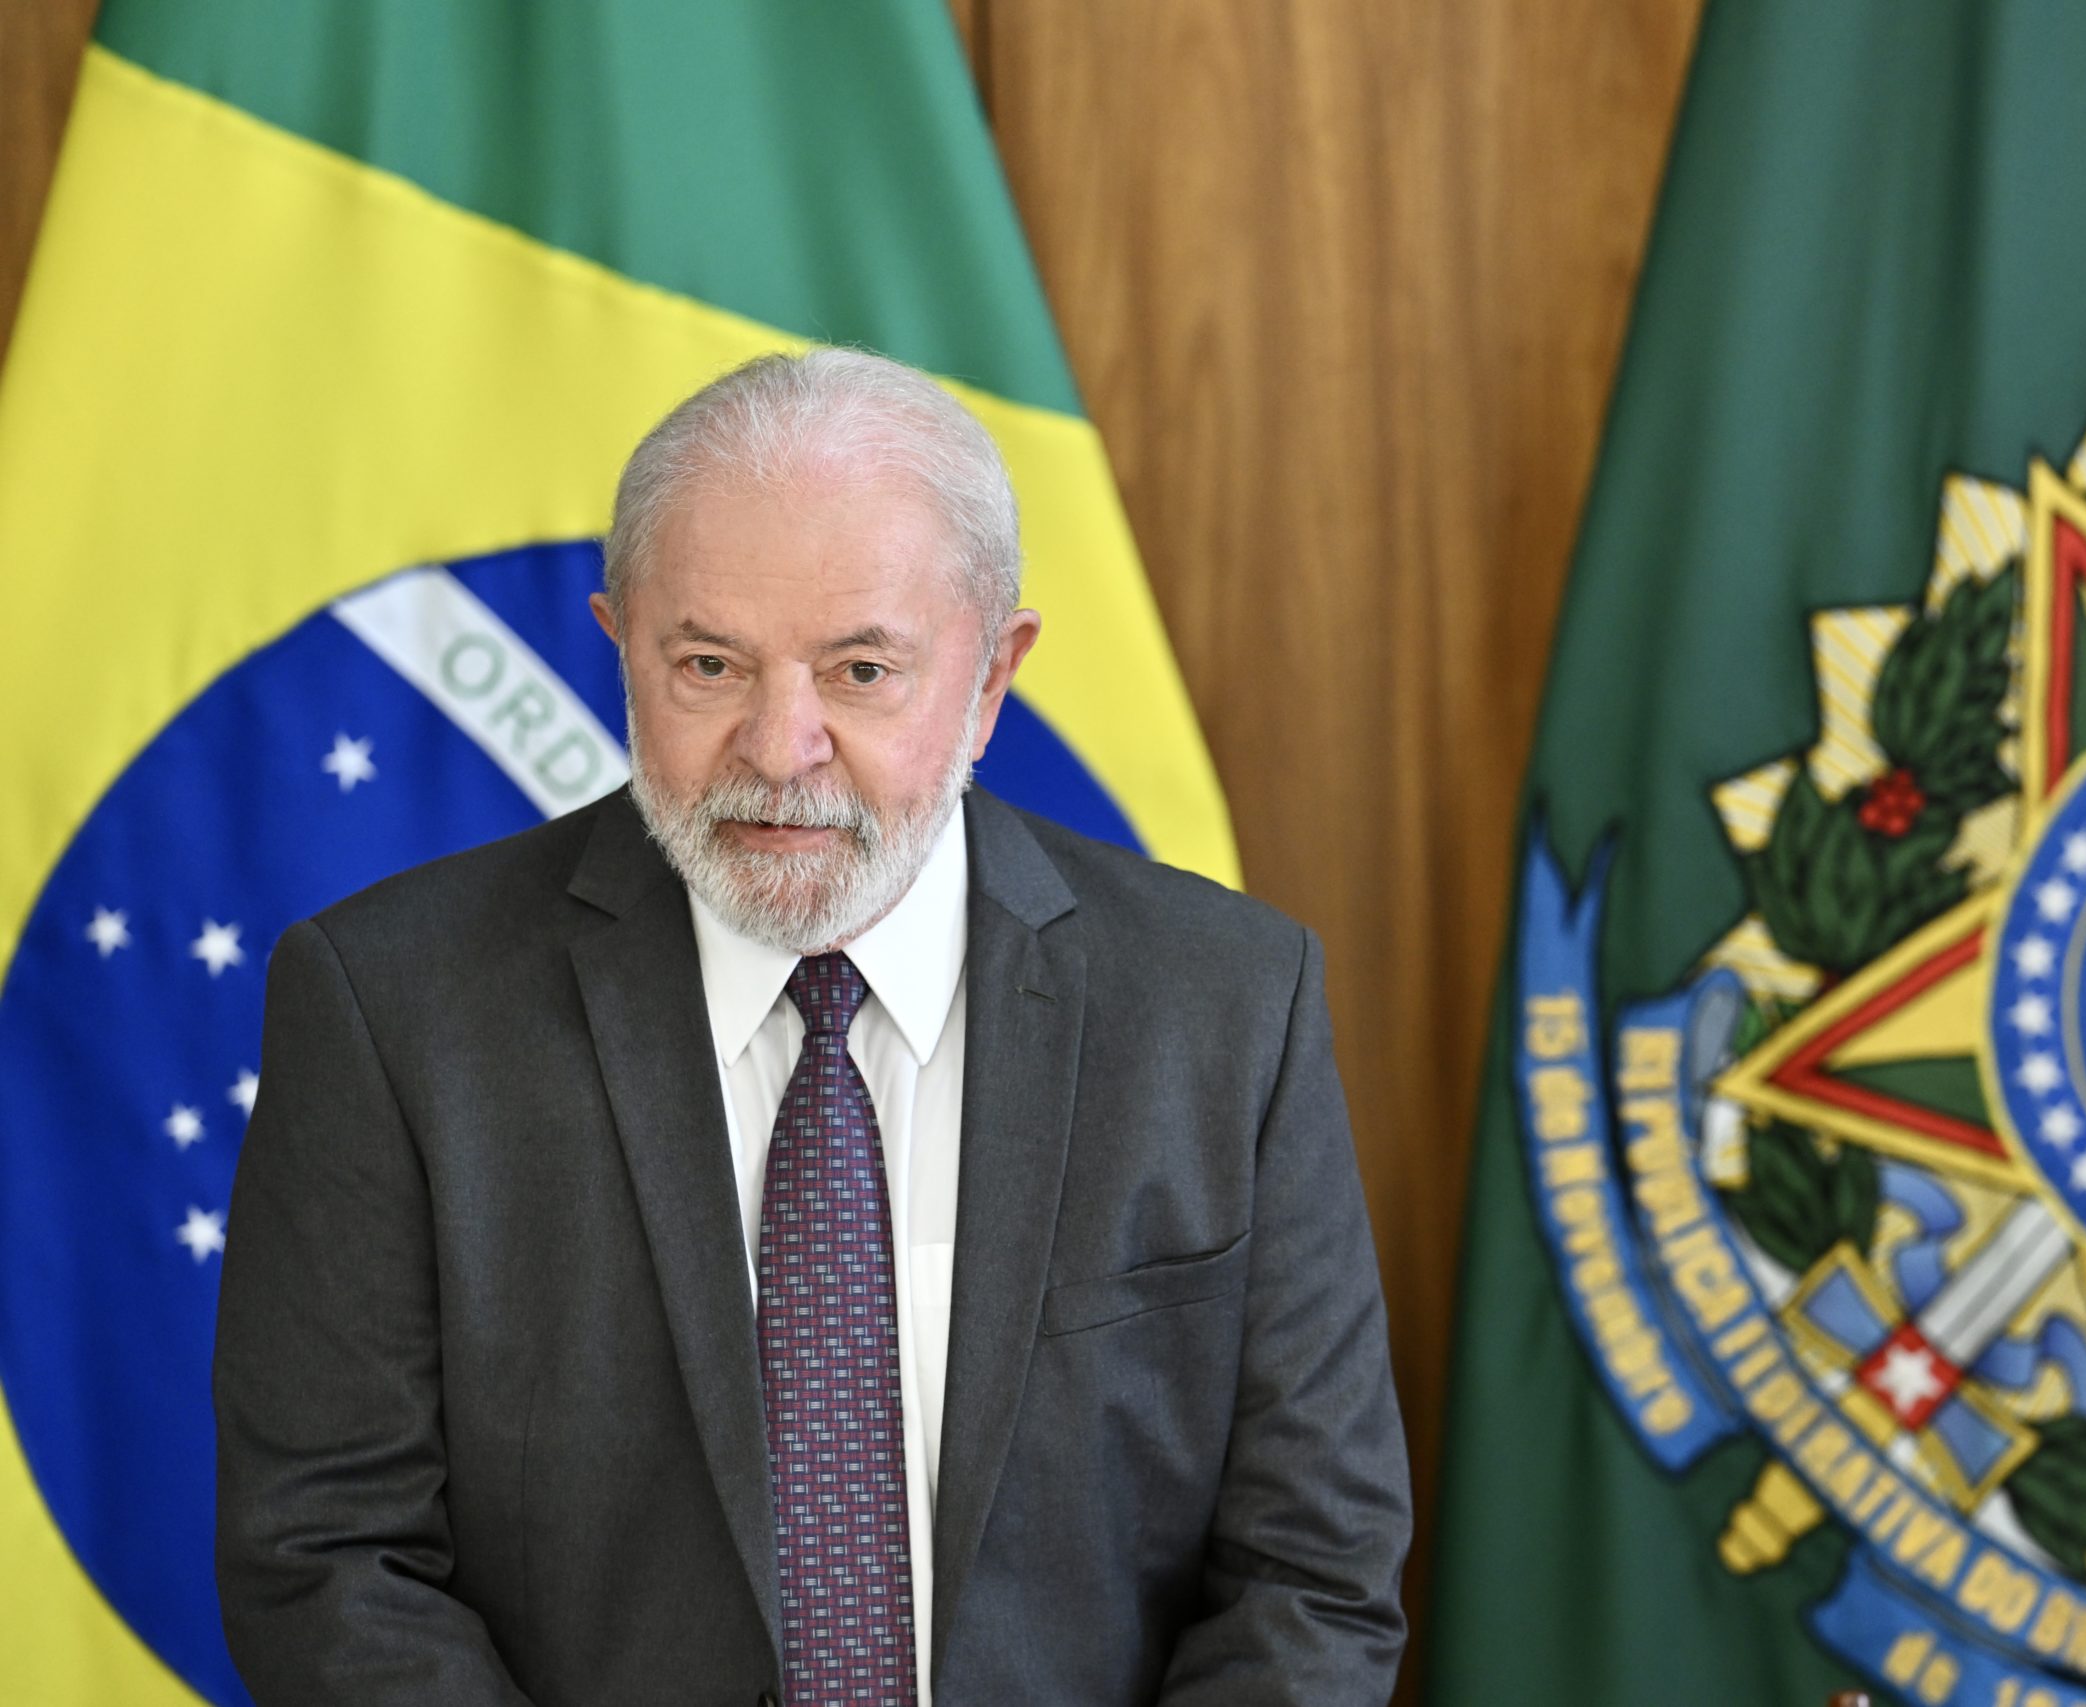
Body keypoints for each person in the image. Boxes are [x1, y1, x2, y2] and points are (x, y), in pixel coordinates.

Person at [211, 348, 1411, 1706]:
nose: (781, 748)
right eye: (710, 664)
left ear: (992, 680)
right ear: (620, 643)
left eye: (860, 672)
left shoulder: (1224, 1006)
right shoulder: (392, 1009)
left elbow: (1312, 1571)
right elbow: (327, 1559)